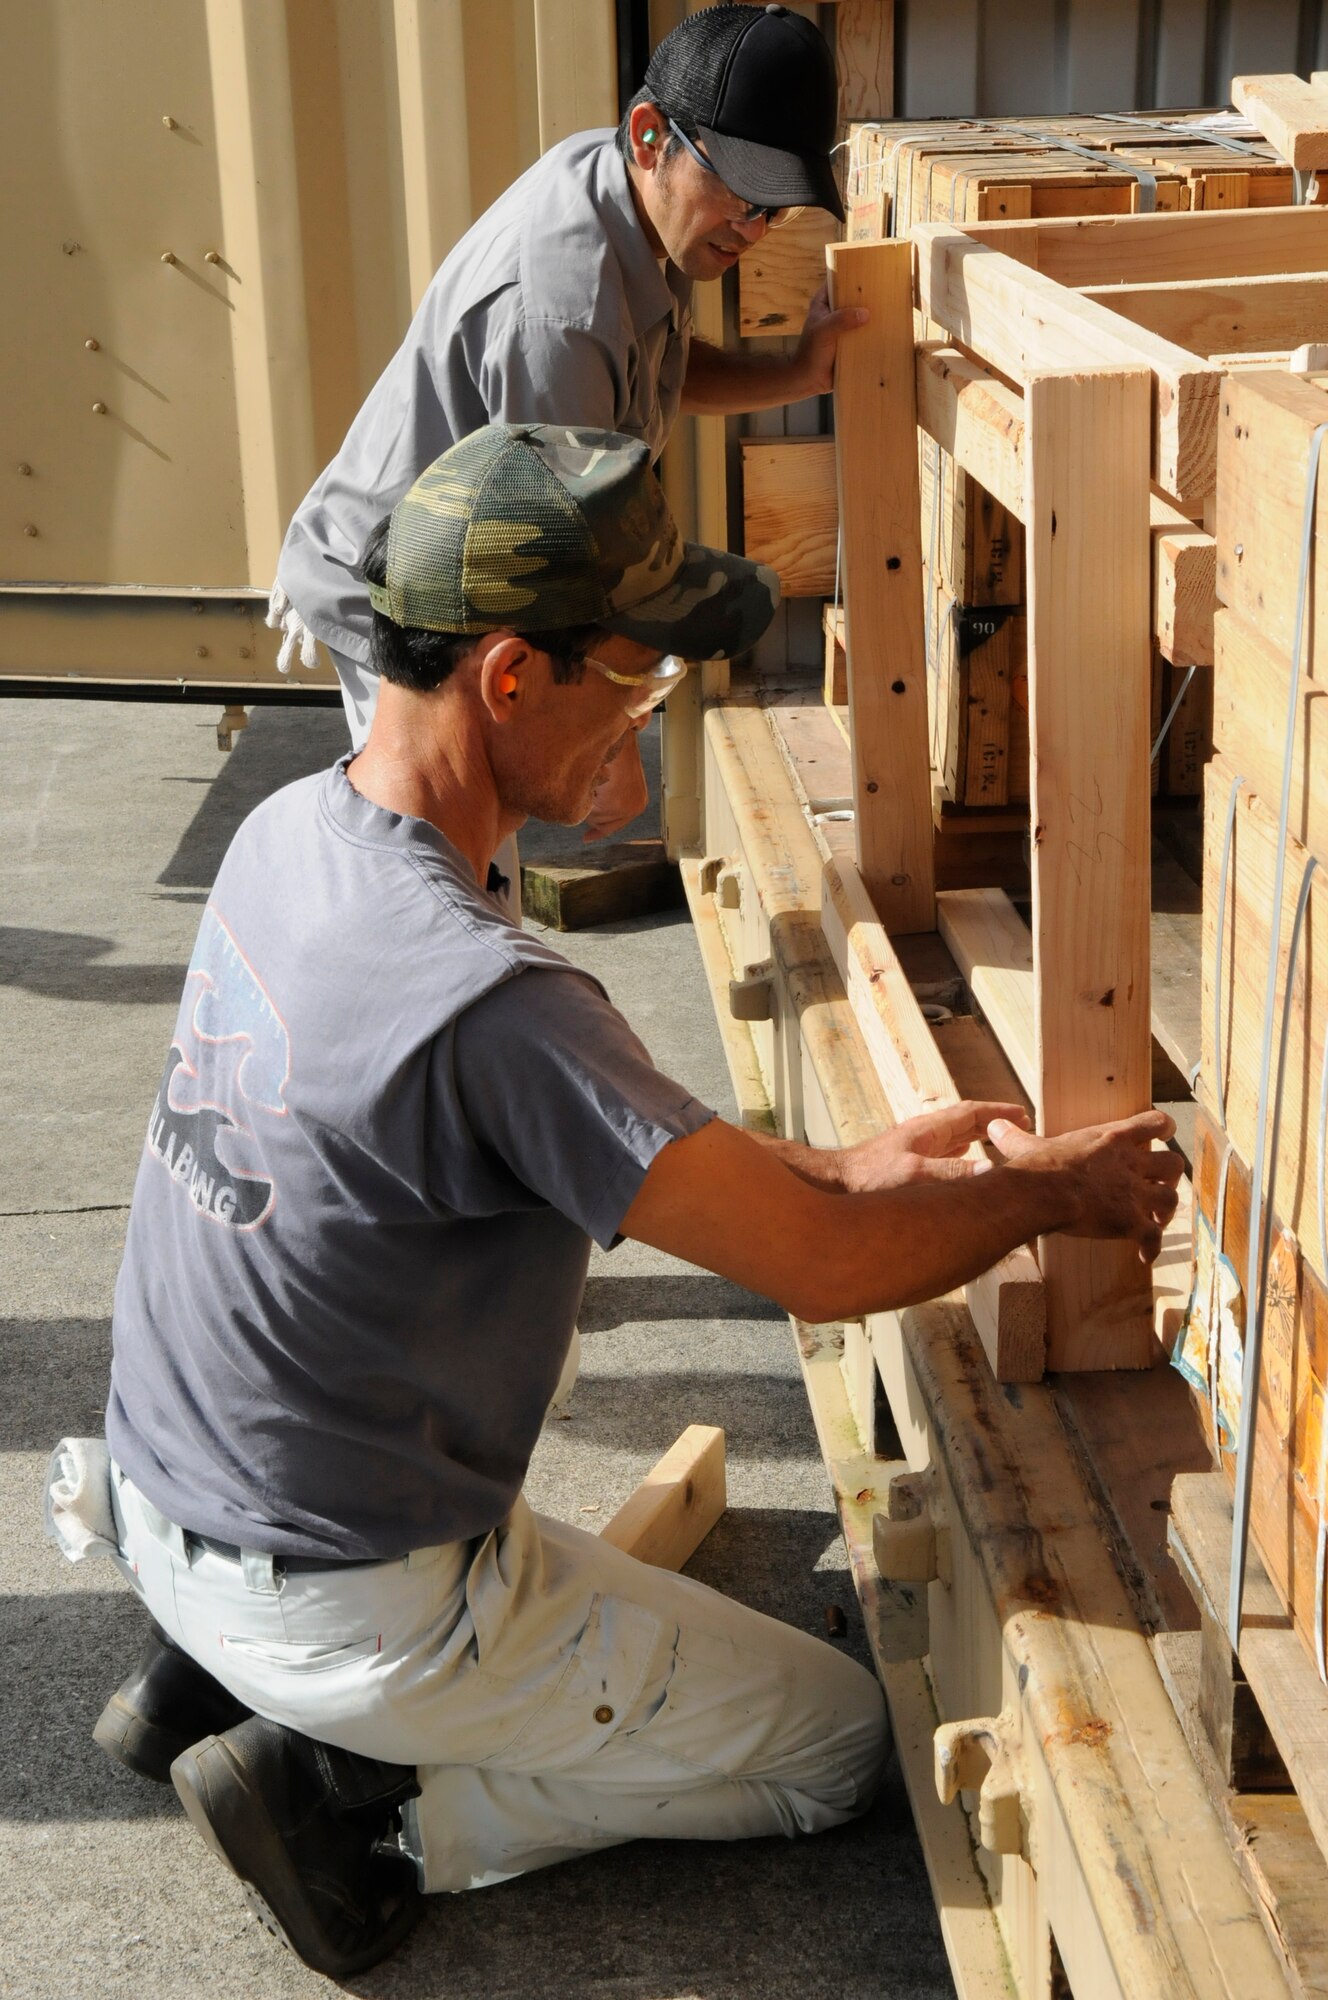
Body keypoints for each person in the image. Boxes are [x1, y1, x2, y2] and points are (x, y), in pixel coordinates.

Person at [51, 424, 1182, 1981]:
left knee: (529, 1282)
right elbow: (827, 1270)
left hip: (173, 1487)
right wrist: (1052, 1192)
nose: (645, 743)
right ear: (511, 678)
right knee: (838, 1752)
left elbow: (668, 1160)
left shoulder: (293, 833)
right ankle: (361, 1796)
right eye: (636, 689)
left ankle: (219, 1670)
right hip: (345, 1593)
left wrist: (853, 1160)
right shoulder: (489, 1001)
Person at [268, 0, 864, 815]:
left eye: (776, 205)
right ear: (652, 133)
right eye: (739, 191)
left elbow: (660, 373)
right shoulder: (558, 315)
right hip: (399, 587)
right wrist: (611, 744)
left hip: (495, 564)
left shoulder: (631, 196)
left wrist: (802, 371)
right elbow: (565, 578)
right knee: (441, 832)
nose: (753, 228)